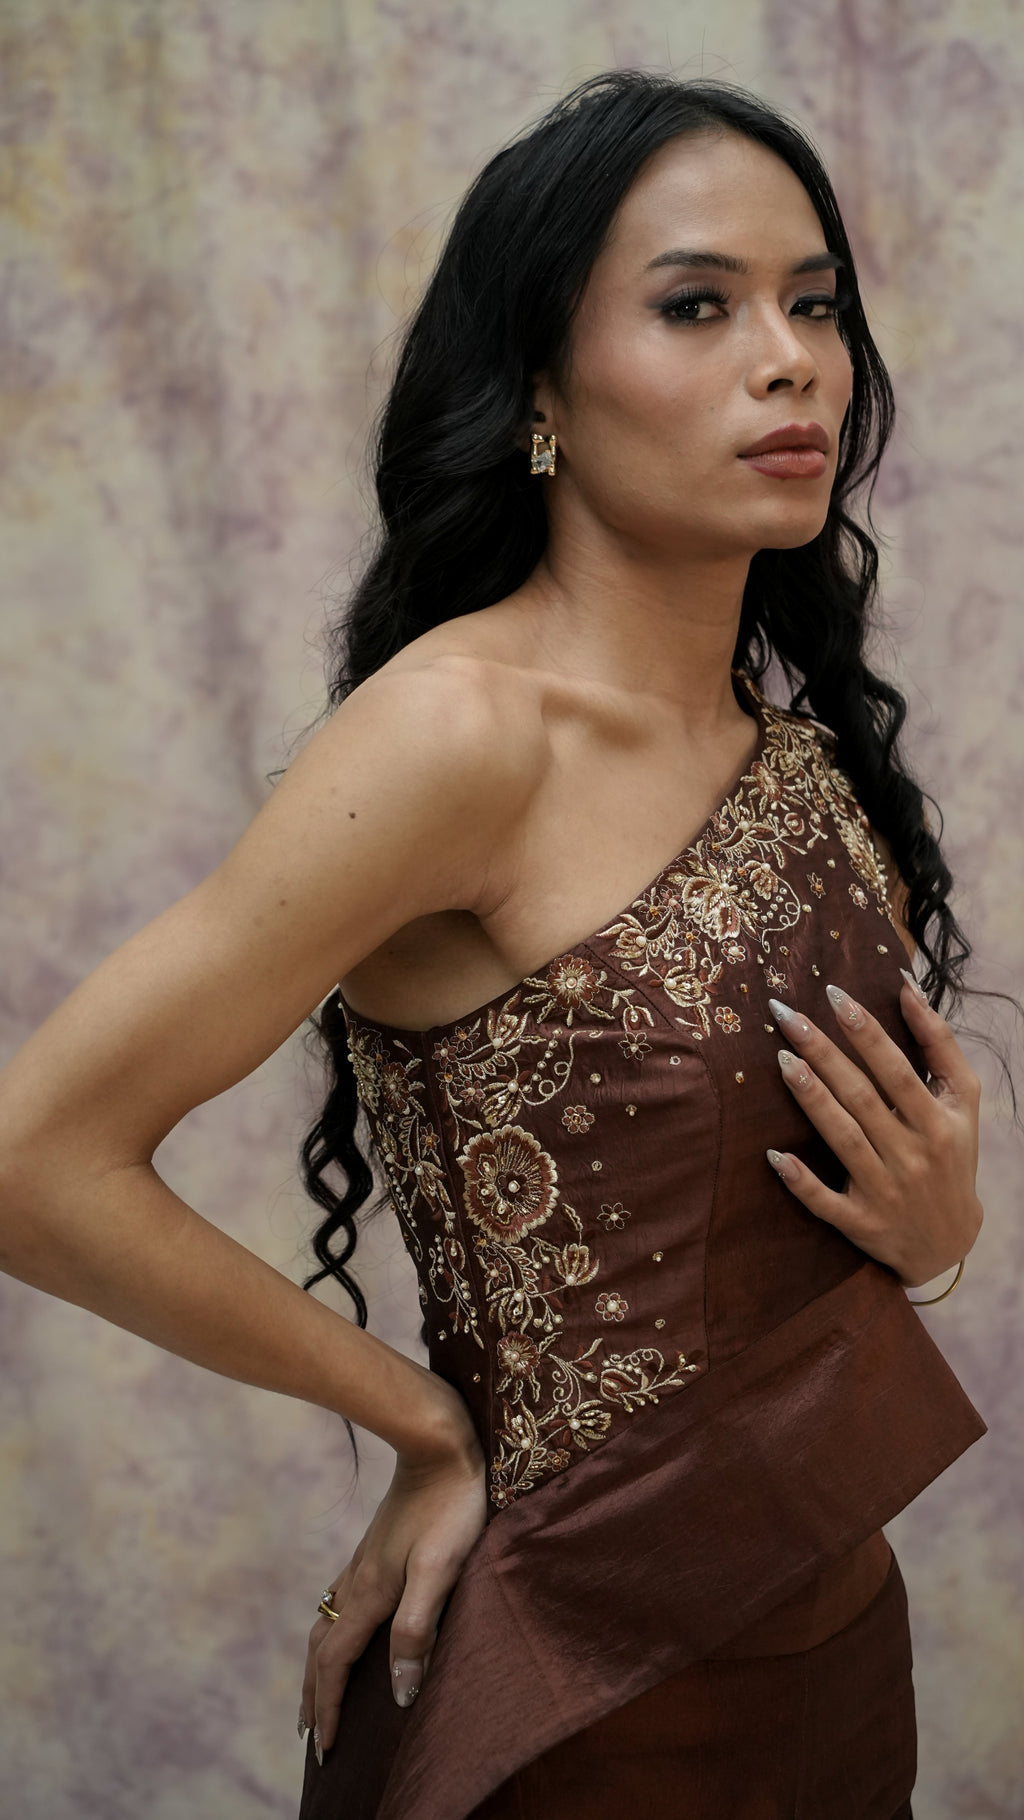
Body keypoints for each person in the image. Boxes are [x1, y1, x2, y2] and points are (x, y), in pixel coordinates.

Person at [0, 70, 992, 1820]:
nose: (793, 362)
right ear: (539, 385)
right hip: (585, 1694)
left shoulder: (794, 745)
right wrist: (424, 1422)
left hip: (834, 1647)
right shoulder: (462, 734)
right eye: (700, 306)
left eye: (815, 304)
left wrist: (939, 1234)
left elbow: (763, 1232)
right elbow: (36, 1162)